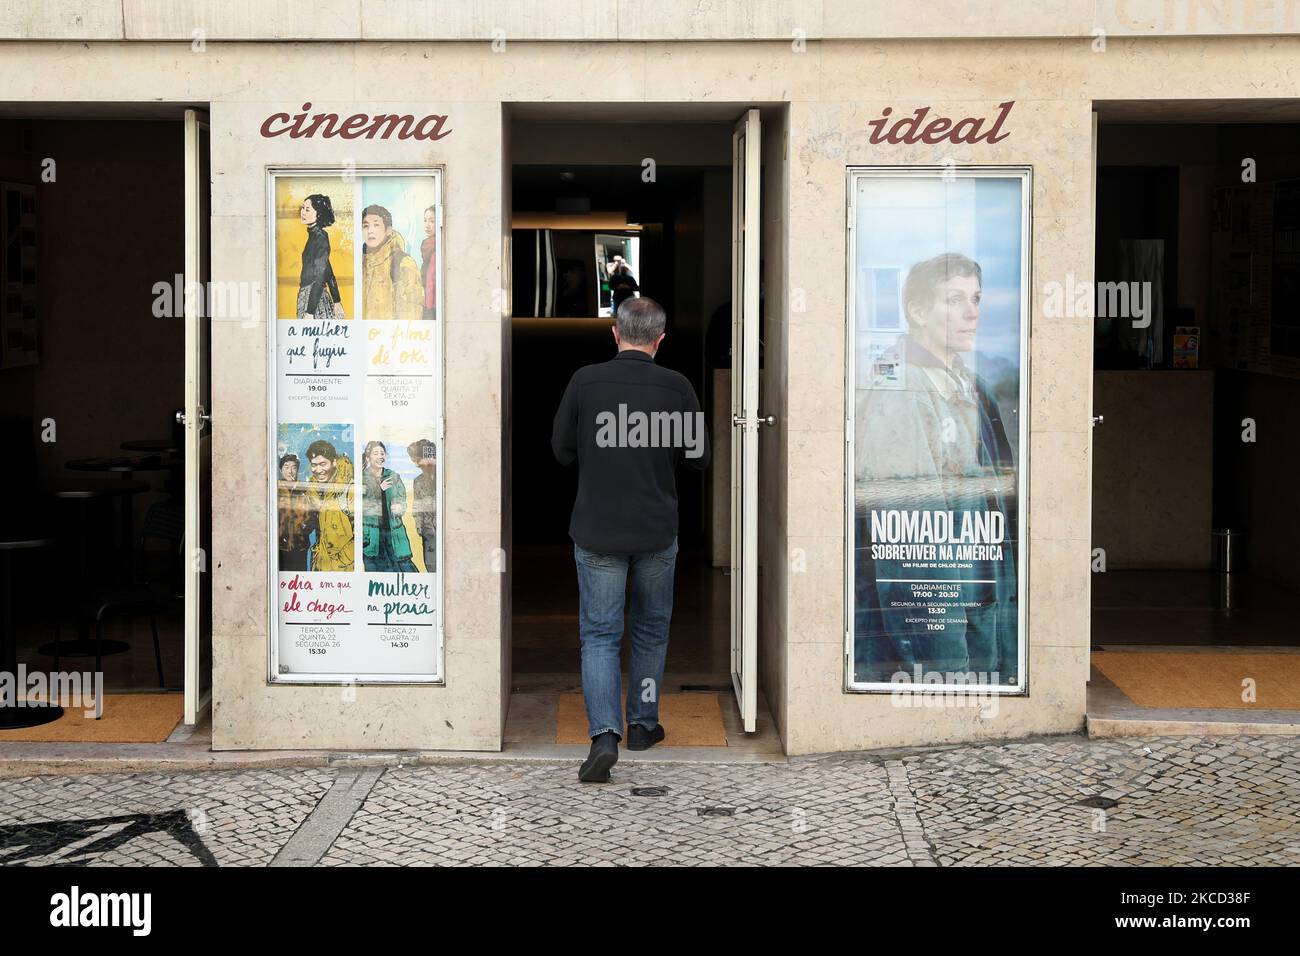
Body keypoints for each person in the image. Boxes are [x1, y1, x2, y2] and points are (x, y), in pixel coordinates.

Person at [551, 296, 710, 783]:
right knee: (650, 630)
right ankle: (643, 723)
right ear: (660, 340)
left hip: (597, 530)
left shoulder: (585, 380)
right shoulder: (678, 386)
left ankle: (604, 736)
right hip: (657, 531)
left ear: (615, 334)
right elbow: (699, 458)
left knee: (599, 635)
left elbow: (561, 450)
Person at [853, 252, 1017, 684]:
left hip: (977, 608)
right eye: (954, 300)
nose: (971, 313)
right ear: (918, 311)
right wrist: (946, 669)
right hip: (944, 630)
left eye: (976, 299)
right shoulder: (901, 388)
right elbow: (909, 542)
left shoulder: (971, 384)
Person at [360, 440, 418, 573]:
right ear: (368, 457)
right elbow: (360, 506)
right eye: (376, 453)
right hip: (372, 535)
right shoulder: (362, 478)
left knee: (404, 568)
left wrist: (400, 507)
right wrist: (378, 490)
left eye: (382, 453)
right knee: (376, 571)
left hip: (393, 532)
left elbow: (402, 498)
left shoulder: (393, 476)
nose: (380, 456)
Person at [361, 204, 423, 322]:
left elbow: (411, 317)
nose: (370, 231)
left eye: (376, 225)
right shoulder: (361, 263)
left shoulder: (403, 263)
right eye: (366, 226)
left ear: (388, 230)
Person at [303, 440, 355, 572]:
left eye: (323, 464)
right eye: (314, 465)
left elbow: (363, 535)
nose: (318, 470)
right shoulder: (315, 492)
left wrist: (340, 561)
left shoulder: (348, 489)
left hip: (343, 570)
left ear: (334, 462)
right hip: (321, 565)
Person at [296, 194, 343, 321]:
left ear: (318, 214)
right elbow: (327, 268)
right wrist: (337, 300)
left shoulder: (320, 238)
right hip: (310, 296)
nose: (303, 212)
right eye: (302, 208)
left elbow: (321, 274)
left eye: (307, 209)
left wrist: (310, 312)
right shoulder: (315, 236)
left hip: (314, 298)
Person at [276, 453, 316, 572]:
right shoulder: (275, 490)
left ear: (298, 470)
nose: (290, 471)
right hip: (279, 546)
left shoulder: (304, 491)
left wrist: (303, 529)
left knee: (299, 578)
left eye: (293, 467)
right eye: (286, 467)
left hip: (300, 546)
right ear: (281, 469)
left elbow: (313, 515)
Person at [407, 438, 437, 573]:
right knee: (431, 566)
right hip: (428, 533)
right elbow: (417, 508)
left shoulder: (445, 476)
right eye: (414, 461)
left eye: (417, 460)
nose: (416, 464)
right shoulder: (418, 481)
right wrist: (420, 528)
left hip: (446, 531)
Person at [419, 205, 437, 320]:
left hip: (434, 308)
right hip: (427, 304)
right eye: (425, 220)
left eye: (432, 221)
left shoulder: (438, 247)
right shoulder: (427, 246)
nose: (427, 225)